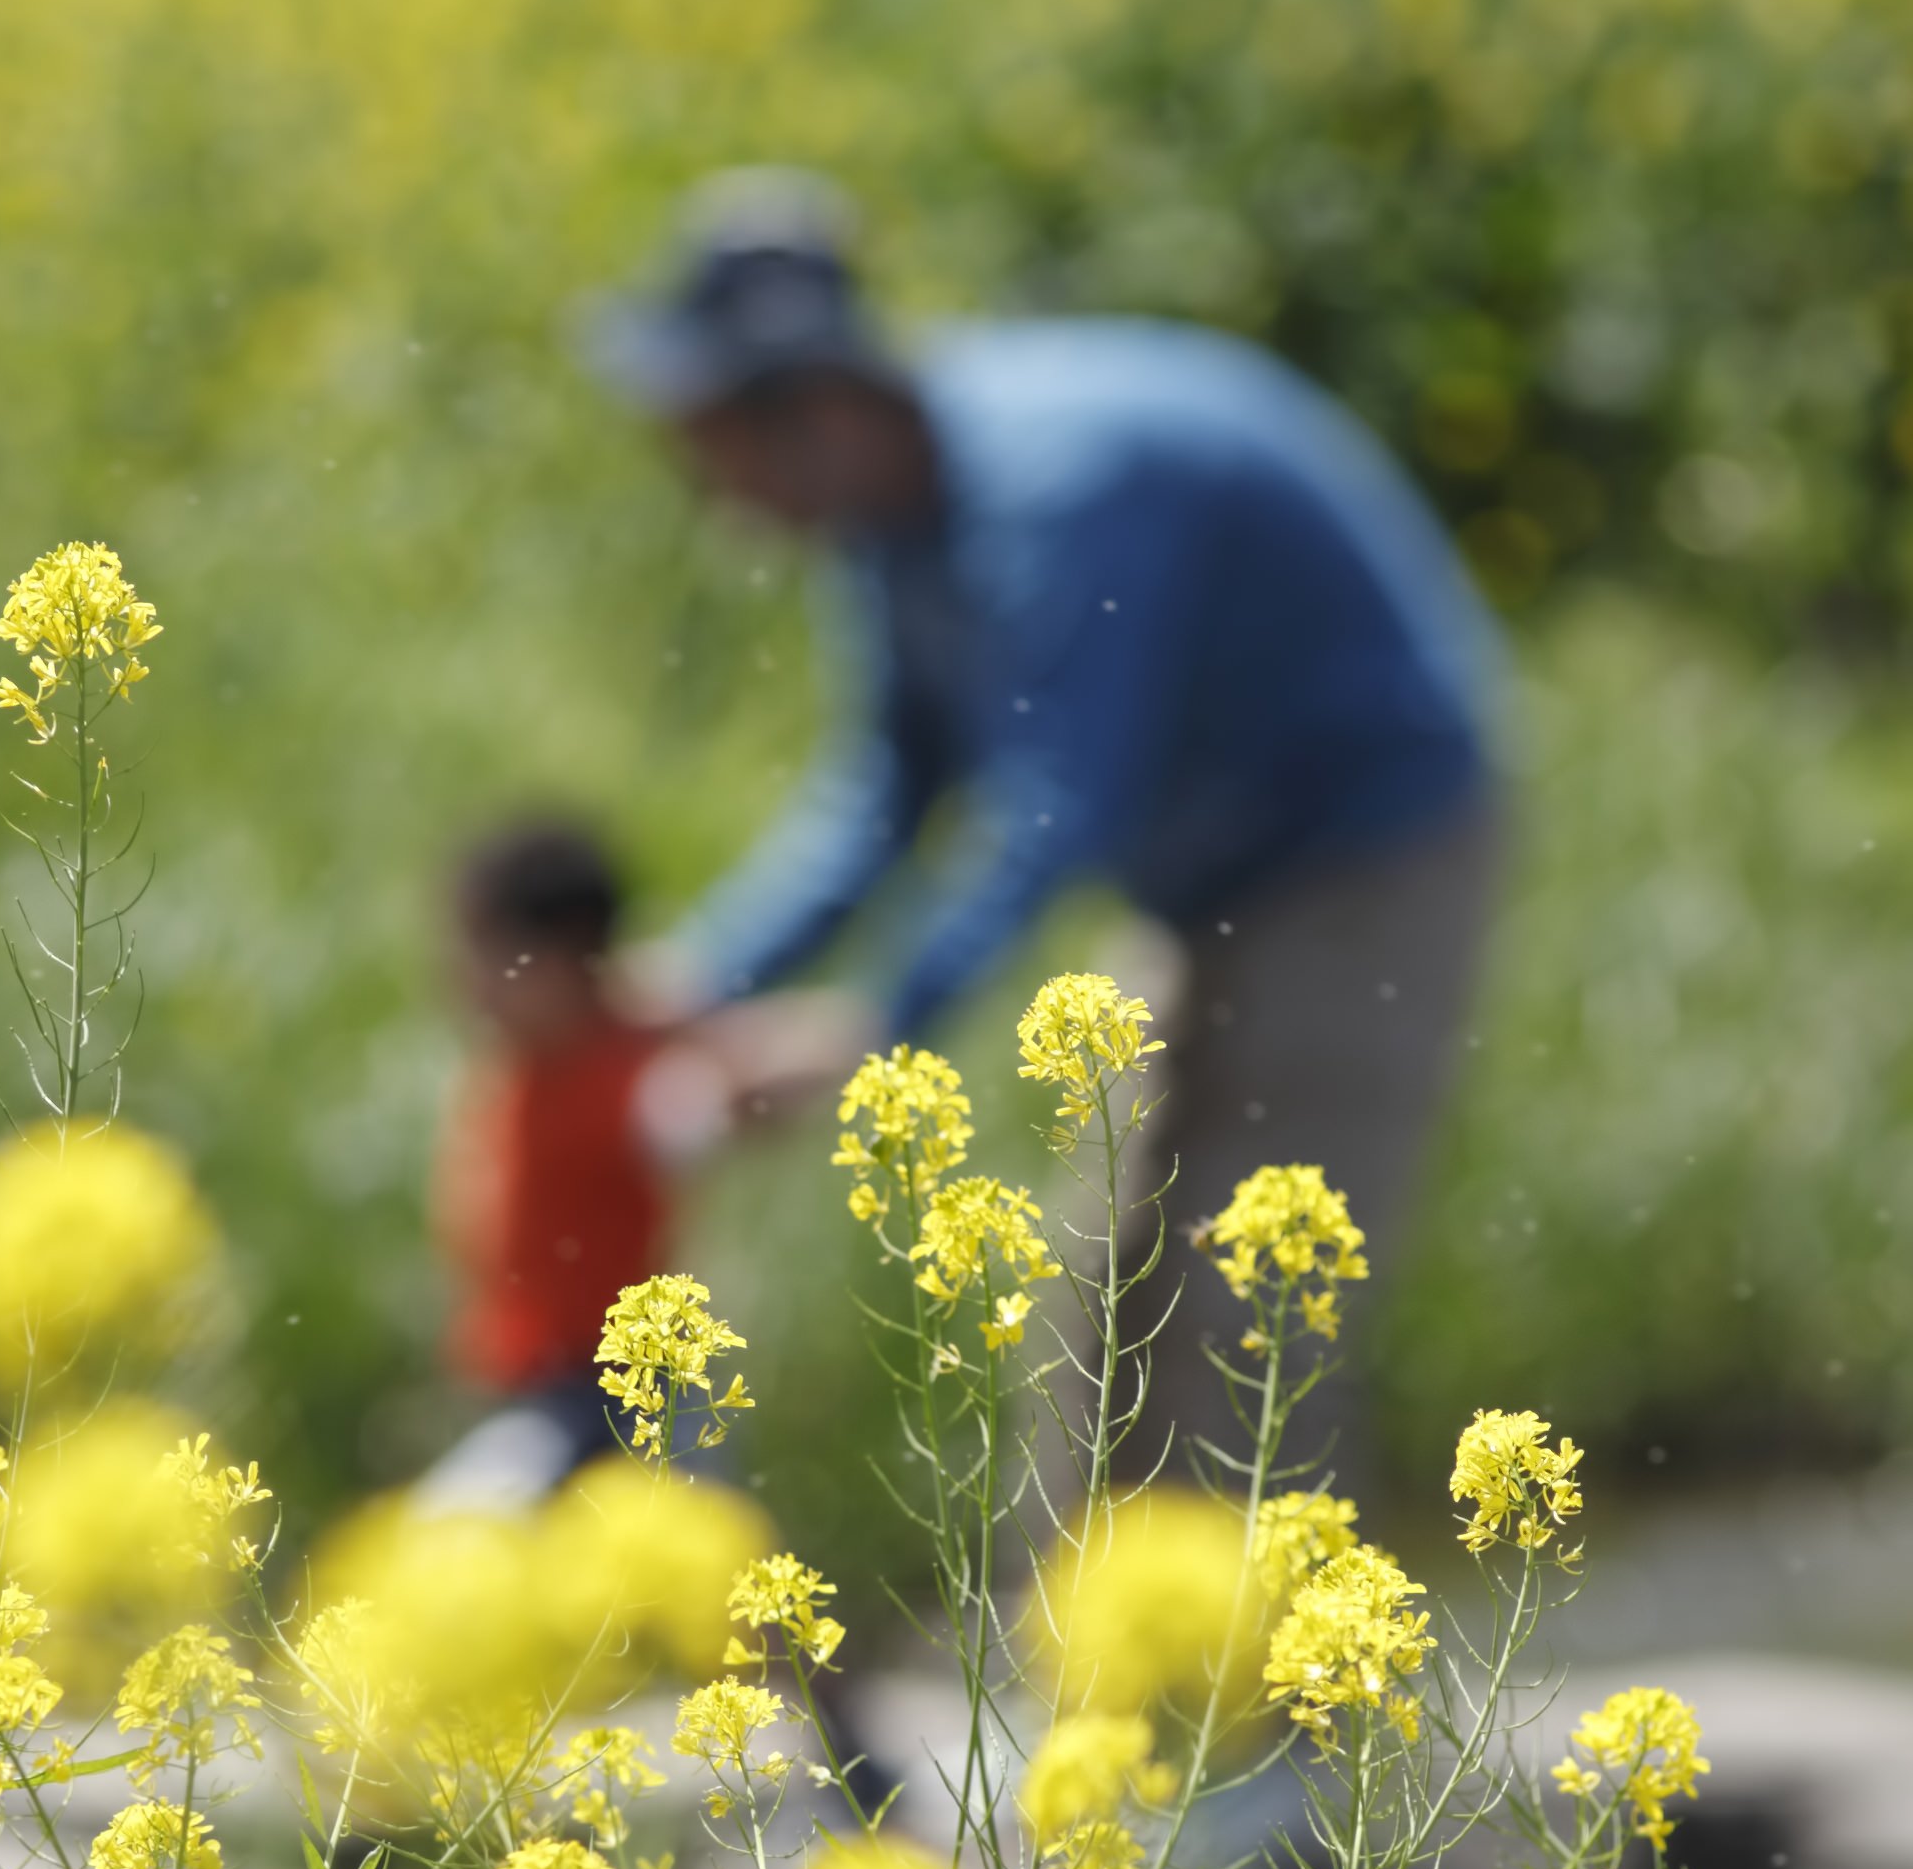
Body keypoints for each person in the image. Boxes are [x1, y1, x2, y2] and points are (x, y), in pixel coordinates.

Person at [581, 174, 1505, 1484]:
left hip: (1362, 852)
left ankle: (1277, 1679)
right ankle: (1089, 1679)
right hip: (1206, 877)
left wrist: (869, 1031)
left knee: (1245, 1323)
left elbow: (1053, 807)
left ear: (814, 409)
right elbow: (885, 794)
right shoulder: (886, 518)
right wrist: (696, 981)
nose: (704, 491)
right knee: (1105, 1320)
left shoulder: (1054, 492)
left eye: (710, 442)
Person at [414, 816, 848, 1510]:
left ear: (557, 966)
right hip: (546, 1398)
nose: (462, 983)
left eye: (486, 958)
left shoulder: (625, 1089)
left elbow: (723, 1100)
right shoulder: (539, 1060)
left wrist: (760, 1048)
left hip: (616, 1402)